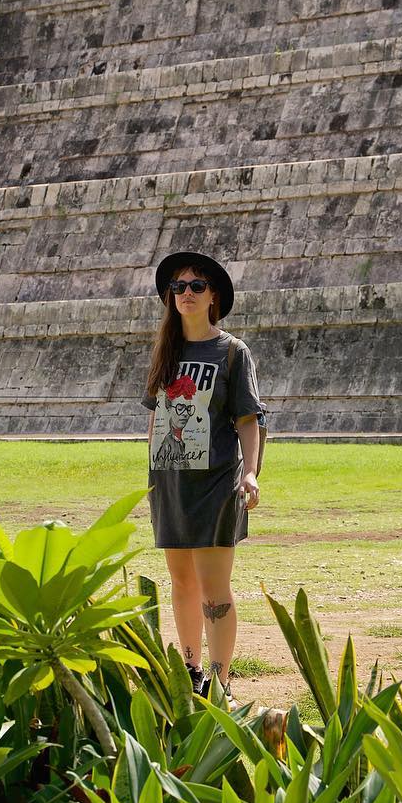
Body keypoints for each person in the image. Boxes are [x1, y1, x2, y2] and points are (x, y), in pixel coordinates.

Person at [143, 250, 262, 696]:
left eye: (196, 286)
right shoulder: (166, 352)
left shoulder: (233, 352)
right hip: (170, 481)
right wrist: (153, 473)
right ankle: (191, 671)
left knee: (215, 589)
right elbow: (156, 415)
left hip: (216, 483)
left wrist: (251, 474)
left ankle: (222, 679)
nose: (186, 294)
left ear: (213, 295)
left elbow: (249, 420)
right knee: (181, 581)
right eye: (178, 287)